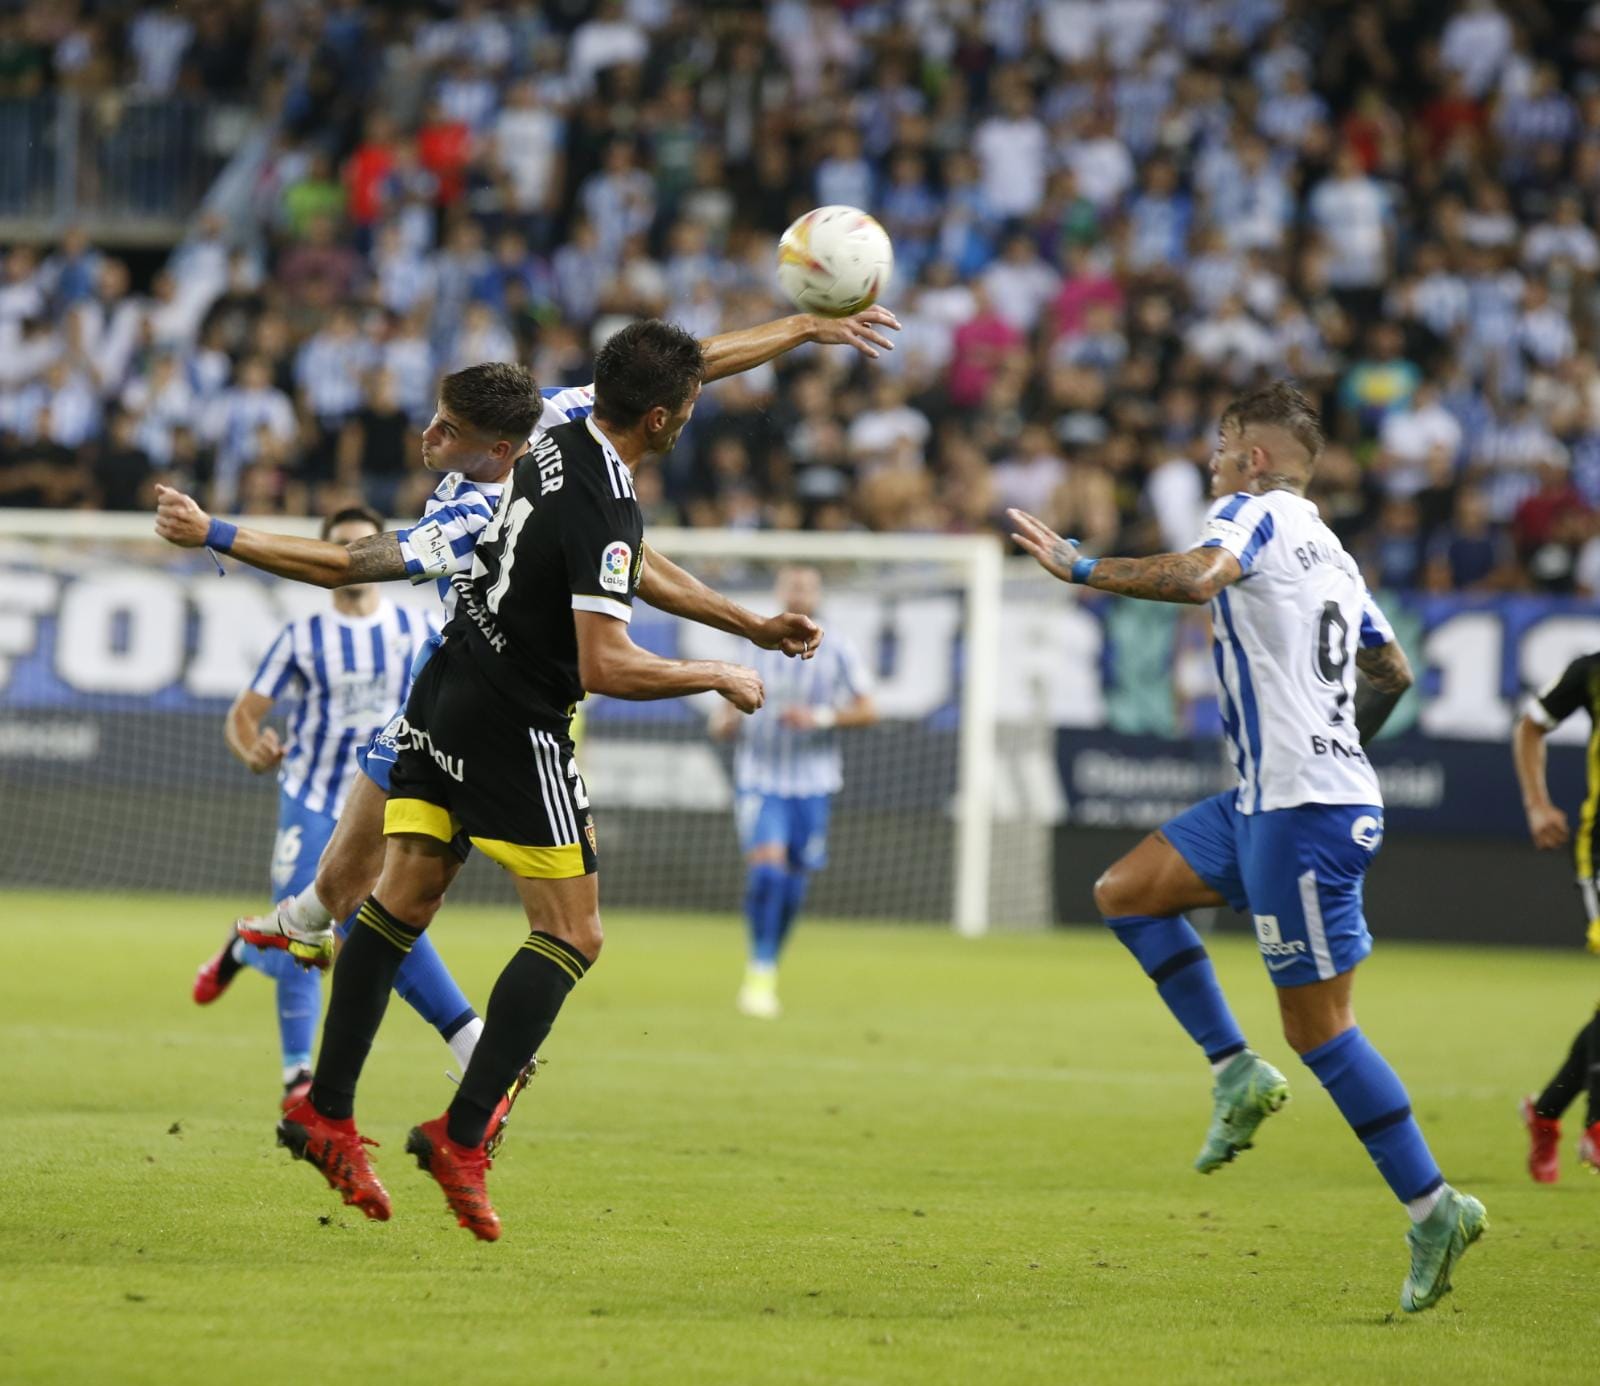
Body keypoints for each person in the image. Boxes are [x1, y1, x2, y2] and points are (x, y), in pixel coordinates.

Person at [269, 326, 822, 1240]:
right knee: (573, 932)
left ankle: (324, 1110)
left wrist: (803, 327)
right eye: (682, 408)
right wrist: (716, 669)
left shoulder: (554, 431)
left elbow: (690, 380)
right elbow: (604, 662)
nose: (689, 413)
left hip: (448, 684)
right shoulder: (605, 496)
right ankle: (463, 1133)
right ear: (660, 419)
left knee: (400, 897)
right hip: (515, 718)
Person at [153, 306, 898, 973]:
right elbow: (685, 370)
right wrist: (801, 327)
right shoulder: (562, 424)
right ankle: (324, 946)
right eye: (435, 417)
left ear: (501, 448)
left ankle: (480, 1051)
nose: (427, 437)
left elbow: (345, 563)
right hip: (452, 681)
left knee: (510, 921)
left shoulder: (468, 517)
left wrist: (213, 531)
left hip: (513, 707)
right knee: (361, 890)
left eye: (449, 431)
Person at [1008, 380, 1486, 1314]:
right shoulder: (1335, 552)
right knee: (1126, 890)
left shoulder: (1251, 512)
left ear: (1254, 458)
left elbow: (1195, 579)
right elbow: (1391, 669)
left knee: (1320, 1028)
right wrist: (1341, 744)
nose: (1211, 455)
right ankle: (1234, 1072)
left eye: (1222, 441)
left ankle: (1436, 1208)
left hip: (1303, 813)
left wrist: (1080, 566)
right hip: (1273, 800)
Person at [193, 505, 457, 1108]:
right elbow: (243, 716)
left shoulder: (414, 629)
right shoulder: (302, 635)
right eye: (342, 546)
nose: (355, 556)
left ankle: (240, 948)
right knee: (305, 934)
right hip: (310, 797)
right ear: (327, 555)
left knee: (360, 932)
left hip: (382, 806)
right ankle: (297, 1078)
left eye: (364, 544)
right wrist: (251, 750)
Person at [709, 565, 875, 1018]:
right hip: (760, 779)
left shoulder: (838, 647)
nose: (799, 594)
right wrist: (724, 721)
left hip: (814, 784)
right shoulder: (750, 644)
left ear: (817, 595)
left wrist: (819, 718)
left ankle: (769, 963)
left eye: (807, 586)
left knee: (794, 884)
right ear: (780, 593)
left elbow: (867, 709)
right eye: (792, 586)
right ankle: (759, 972)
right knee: (767, 873)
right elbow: (720, 712)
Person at [1512, 650, 1600, 1181]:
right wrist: (1537, 805)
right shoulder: (1591, 670)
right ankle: (1596, 1128)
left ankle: (1545, 1114)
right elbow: (1531, 726)